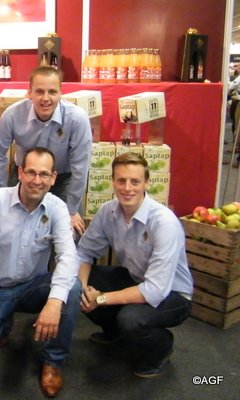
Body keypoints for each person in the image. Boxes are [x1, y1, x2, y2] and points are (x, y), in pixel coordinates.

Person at [0, 147, 81, 398]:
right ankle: (3, 323)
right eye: (32, 172)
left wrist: (54, 303)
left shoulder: (57, 207)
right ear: (20, 172)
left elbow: (68, 256)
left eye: (44, 174)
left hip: (32, 287)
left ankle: (53, 361)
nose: (37, 180)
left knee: (71, 287)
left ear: (53, 178)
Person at [77, 152, 193, 378]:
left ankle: (161, 348)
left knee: (131, 318)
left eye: (135, 182)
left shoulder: (164, 222)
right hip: (137, 279)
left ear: (146, 183)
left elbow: (155, 290)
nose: (127, 188)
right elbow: (84, 252)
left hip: (173, 295)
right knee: (81, 283)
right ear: (112, 181)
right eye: (121, 180)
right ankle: (114, 333)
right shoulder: (108, 211)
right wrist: (82, 288)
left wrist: (100, 299)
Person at [0, 66, 92, 237]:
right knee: (7, 229)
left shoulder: (77, 118)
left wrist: (72, 210)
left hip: (62, 179)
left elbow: (81, 167)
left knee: (71, 232)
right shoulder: (13, 114)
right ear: (29, 93)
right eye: (39, 92)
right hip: (24, 176)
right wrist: (0, 194)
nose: (46, 98)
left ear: (61, 93)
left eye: (52, 92)